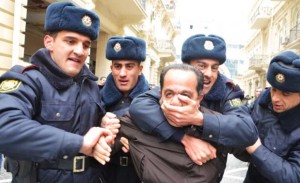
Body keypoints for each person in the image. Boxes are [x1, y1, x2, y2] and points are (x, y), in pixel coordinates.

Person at [0, 2, 113, 183]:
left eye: (85, 45)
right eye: (70, 41)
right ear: (49, 42)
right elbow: (5, 127)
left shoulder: (91, 85)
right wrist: (79, 144)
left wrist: (105, 124)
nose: (80, 51)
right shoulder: (28, 79)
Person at [129, 34, 258, 181]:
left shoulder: (227, 90)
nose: (208, 73)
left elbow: (247, 130)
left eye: (214, 67)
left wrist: (200, 119)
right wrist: (183, 138)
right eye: (202, 66)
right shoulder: (177, 83)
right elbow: (140, 105)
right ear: (187, 66)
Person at [243, 50, 300, 183]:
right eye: (273, 89)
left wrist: (256, 149)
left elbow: (295, 176)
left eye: (285, 94)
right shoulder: (264, 101)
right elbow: (242, 115)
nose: (275, 98)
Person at [100, 36, 148, 183]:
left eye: (129, 66)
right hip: (104, 174)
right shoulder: (96, 96)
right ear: (111, 68)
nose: (122, 74)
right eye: (117, 66)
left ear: (140, 69)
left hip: (139, 176)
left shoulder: (153, 99)